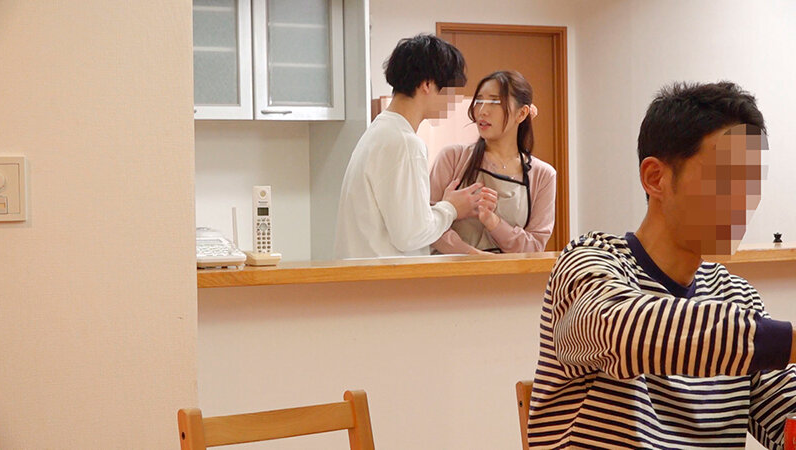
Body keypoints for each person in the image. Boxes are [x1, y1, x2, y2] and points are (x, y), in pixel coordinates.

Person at [527, 81, 796, 449]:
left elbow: (785, 416)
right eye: (727, 178)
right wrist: (785, 340)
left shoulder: (738, 298)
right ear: (655, 178)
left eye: (752, 181)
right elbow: (620, 330)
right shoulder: (589, 262)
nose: (744, 199)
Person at [334, 34, 497, 259]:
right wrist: (451, 208)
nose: (454, 100)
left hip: (365, 274)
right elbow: (410, 235)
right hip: (384, 277)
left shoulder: (381, 131)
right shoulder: (405, 143)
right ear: (427, 85)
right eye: (451, 90)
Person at [429, 71, 556, 254]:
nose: (482, 111)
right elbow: (428, 226)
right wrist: (475, 257)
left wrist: (494, 223)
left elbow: (534, 248)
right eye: (479, 101)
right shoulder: (453, 157)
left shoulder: (542, 175)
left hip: (508, 273)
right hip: (452, 271)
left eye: (495, 102)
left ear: (522, 114)